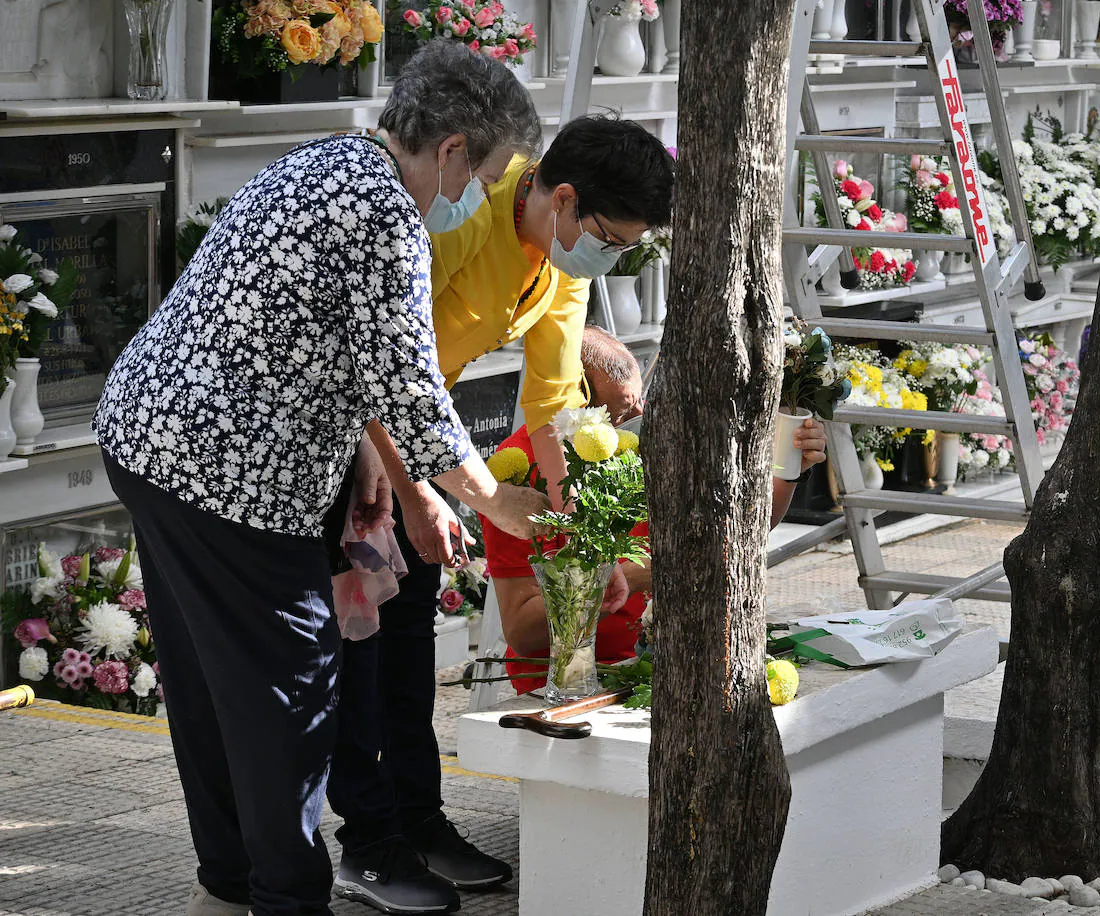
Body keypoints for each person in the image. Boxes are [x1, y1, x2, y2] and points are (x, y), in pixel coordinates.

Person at [92, 43, 548, 916]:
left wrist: (363, 456)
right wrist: (492, 499)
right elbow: (409, 383)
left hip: (153, 437)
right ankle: (284, 895)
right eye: (487, 177)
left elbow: (333, 347)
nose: (482, 198)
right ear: (452, 148)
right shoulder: (386, 212)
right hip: (229, 473)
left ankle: (230, 886)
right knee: (290, 691)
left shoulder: (324, 157)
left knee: (210, 683)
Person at [325, 117, 676, 913]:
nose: (609, 258)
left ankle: (419, 819)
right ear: (562, 198)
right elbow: (380, 352)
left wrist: (567, 522)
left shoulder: (559, 258)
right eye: (611, 240)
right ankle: (367, 842)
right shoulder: (466, 202)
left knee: (412, 632)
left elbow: (549, 401)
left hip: (415, 435)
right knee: (358, 641)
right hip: (347, 431)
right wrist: (401, 480)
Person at [484, 327, 829, 687]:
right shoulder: (520, 470)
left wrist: (788, 468)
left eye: (639, 401)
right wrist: (632, 577)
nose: (639, 417)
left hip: (662, 661)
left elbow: (739, 529)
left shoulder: (644, 436)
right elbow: (522, 633)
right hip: (569, 681)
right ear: (573, 408)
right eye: (621, 414)